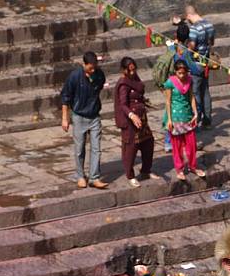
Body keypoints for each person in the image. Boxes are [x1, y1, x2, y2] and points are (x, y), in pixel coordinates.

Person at [61, 51, 108, 189]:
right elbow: (65, 97)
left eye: (95, 67)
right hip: (79, 116)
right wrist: (65, 118)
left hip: (94, 116)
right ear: (84, 64)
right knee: (79, 149)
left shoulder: (99, 75)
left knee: (96, 149)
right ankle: (80, 176)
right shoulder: (74, 77)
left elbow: (99, 86)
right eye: (90, 68)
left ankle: (94, 177)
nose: (93, 70)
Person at [114, 56, 160, 188]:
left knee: (148, 142)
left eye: (134, 70)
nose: (133, 73)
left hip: (142, 118)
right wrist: (132, 115)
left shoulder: (136, 79)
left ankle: (146, 170)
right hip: (130, 121)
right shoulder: (123, 84)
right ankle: (130, 175)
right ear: (124, 70)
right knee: (131, 148)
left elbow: (140, 92)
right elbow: (123, 104)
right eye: (130, 71)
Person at [164, 59, 205, 181]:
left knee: (191, 144)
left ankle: (193, 166)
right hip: (175, 117)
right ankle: (179, 169)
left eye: (183, 73)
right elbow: (168, 101)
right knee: (176, 146)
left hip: (187, 116)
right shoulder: (170, 83)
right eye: (179, 73)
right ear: (175, 72)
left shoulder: (189, 80)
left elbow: (191, 97)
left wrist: (196, 113)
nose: (182, 76)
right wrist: (169, 120)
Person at [185, 5, 214, 129]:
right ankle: (207, 121)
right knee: (205, 91)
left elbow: (191, 46)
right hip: (206, 62)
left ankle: (197, 117)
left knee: (195, 92)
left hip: (196, 64)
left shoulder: (194, 29)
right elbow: (211, 42)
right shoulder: (210, 25)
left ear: (189, 15)